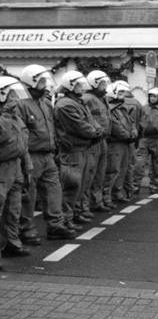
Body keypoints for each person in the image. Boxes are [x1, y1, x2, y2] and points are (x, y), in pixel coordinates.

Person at [16, 65, 76, 242]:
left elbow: (52, 127)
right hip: (31, 154)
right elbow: (21, 132)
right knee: (29, 193)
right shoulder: (21, 104)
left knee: (53, 189)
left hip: (48, 154)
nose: (45, 84)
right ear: (31, 81)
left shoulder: (46, 103)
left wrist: (55, 148)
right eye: (41, 81)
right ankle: (25, 229)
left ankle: (55, 225)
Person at [54, 71, 104, 232]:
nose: (82, 88)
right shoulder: (66, 104)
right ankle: (65, 218)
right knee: (71, 184)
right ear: (70, 86)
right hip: (71, 150)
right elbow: (80, 126)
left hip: (81, 148)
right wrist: (96, 132)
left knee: (80, 184)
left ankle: (73, 214)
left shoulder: (78, 102)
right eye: (78, 85)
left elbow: (90, 121)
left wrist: (96, 130)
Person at [0, 76, 33, 263]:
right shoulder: (5, 118)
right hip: (2, 167)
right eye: (11, 95)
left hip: (15, 166)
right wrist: (5, 115)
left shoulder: (15, 117)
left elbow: (23, 143)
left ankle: (11, 243)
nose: (15, 100)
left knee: (13, 210)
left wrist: (27, 165)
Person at [81, 70, 112, 214]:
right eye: (102, 83)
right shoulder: (87, 98)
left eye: (105, 83)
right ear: (94, 83)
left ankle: (96, 202)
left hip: (103, 140)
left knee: (100, 173)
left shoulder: (103, 98)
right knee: (89, 174)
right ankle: (84, 205)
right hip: (93, 141)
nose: (105, 86)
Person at [103, 81, 136, 205]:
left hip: (125, 143)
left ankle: (117, 193)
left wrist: (133, 132)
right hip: (115, 143)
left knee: (123, 169)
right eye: (121, 92)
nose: (123, 95)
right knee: (112, 170)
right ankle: (107, 197)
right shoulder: (111, 109)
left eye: (124, 92)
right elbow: (115, 126)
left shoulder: (122, 108)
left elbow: (131, 122)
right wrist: (129, 135)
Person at [134, 87, 158, 191]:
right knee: (139, 162)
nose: (152, 98)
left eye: (154, 96)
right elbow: (139, 121)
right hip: (145, 138)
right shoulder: (144, 107)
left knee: (157, 163)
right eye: (151, 96)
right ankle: (135, 184)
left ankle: (154, 183)